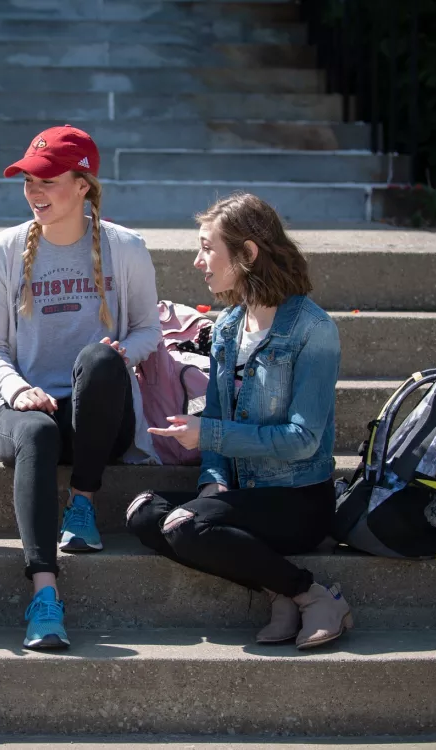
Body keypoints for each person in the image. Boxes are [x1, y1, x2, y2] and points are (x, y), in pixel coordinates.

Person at [126, 192, 353, 650]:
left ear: (248, 253)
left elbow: (303, 440)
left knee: (184, 525)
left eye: (208, 248)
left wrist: (208, 436)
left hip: (297, 501)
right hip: (242, 494)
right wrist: (212, 482)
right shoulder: (229, 327)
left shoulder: (314, 330)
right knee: (144, 512)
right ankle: (280, 590)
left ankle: (316, 597)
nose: (198, 261)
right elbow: (213, 414)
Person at [0, 125, 162, 650]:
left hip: (97, 418)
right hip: (26, 413)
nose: (35, 191)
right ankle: (44, 596)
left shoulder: (126, 248)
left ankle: (82, 503)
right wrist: (16, 388)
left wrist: (124, 355)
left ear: (83, 185)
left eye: (48, 179)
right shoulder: (1, 251)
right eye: (28, 179)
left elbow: (148, 329)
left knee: (99, 359)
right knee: (36, 433)